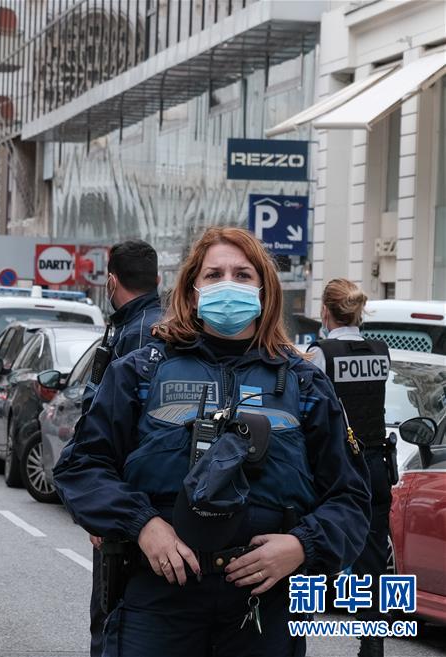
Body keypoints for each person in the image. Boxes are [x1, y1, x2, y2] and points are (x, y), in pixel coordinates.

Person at [53, 226, 371, 657]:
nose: (228, 284)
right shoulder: (140, 372)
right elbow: (81, 468)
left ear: (264, 290)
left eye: (242, 275)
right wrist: (142, 525)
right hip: (157, 599)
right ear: (192, 288)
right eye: (214, 274)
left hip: (265, 607)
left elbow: (350, 499)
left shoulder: (304, 383)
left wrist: (301, 547)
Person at [84, 239, 163, 657]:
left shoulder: (133, 335)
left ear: (111, 281)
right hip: (160, 506)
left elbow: (113, 429)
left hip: (127, 505)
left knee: (112, 617)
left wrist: (103, 506)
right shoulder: (172, 325)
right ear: (159, 280)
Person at [307, 279, 391, 657]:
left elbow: (308, 409)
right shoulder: (380, 350)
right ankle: (373, 645)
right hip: (376, 464)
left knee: (313, 544)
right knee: (372, 558)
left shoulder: (321, 352)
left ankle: (294, 636)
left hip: (335, 464)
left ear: (325, 311)